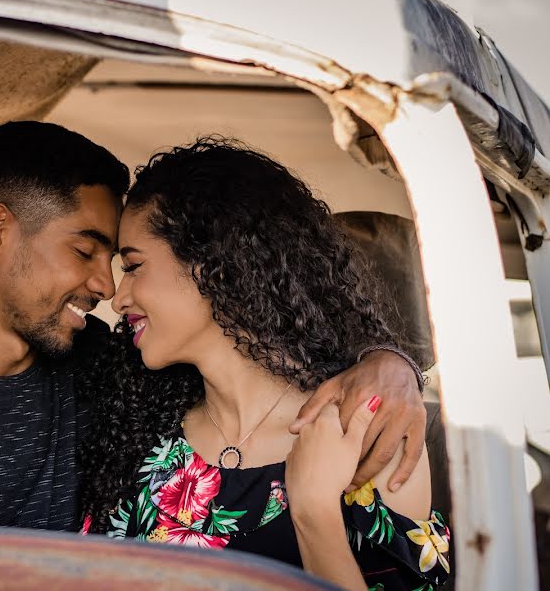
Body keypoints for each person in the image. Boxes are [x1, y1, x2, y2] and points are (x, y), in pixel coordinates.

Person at [0, 121, 427, 533]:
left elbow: (247, 350)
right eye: (87, 251)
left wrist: (388, 362)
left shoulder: (113, 367)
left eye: (123, 263)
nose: (107, 288)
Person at [78, 138, 450, 590]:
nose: (119, 298)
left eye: (133, 266)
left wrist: (314, 513)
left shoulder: (367, 438)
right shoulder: (130, 422)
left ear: (213, 264)